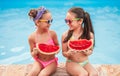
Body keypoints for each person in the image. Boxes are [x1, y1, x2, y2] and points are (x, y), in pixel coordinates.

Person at [62, 7, 98, 76]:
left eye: (70, 21)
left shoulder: (89, 35)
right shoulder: (65, 35)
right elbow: (64, 52)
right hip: (72, 63)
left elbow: (91, 50)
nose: (67, 23)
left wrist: (88, 52)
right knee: (83, 74)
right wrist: (68, 53)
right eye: (66, 21)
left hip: (85, 62)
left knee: (94, 73)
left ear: (80, 21)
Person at [27, 6, 59, 76]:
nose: (50, 23)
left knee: (43, 74)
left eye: (51, 21)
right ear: (38, 22)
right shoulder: (31, 37)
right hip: (39, 61)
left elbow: (57, 45)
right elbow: (32, 53)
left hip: (52, 62)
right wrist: (34, 52)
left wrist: (57, 50)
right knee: (32, 73)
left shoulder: (52, 34)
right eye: (47, 21)